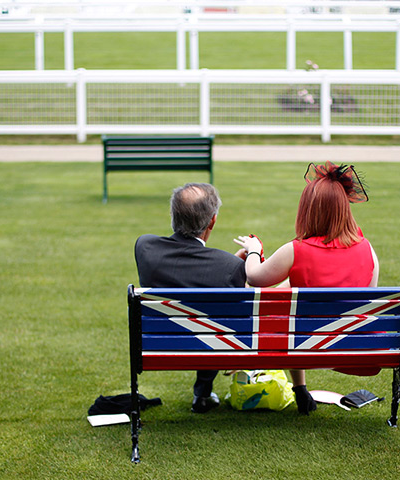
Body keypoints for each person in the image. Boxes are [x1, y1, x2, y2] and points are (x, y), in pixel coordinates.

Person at [233, 161, 379, 415]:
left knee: (289, 310)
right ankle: (300, 389)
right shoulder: (368, 251)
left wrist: (253, 251)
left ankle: (300, 386)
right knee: (296, 296)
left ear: (308, 211)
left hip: (301, 346)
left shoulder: (295, 251)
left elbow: (254, 277)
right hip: (351, 348)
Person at [135, 183, 247, 413]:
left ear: (173, 216)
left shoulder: (145, 248)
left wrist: (231, 266)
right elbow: (217, 277)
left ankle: (203, 394)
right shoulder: (230, 267)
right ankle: (202, 394)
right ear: (212, 221)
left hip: (158, 344)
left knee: (207, 320)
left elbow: (187, 269)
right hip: (208, 342)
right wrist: (239, 264)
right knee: (214, 323)